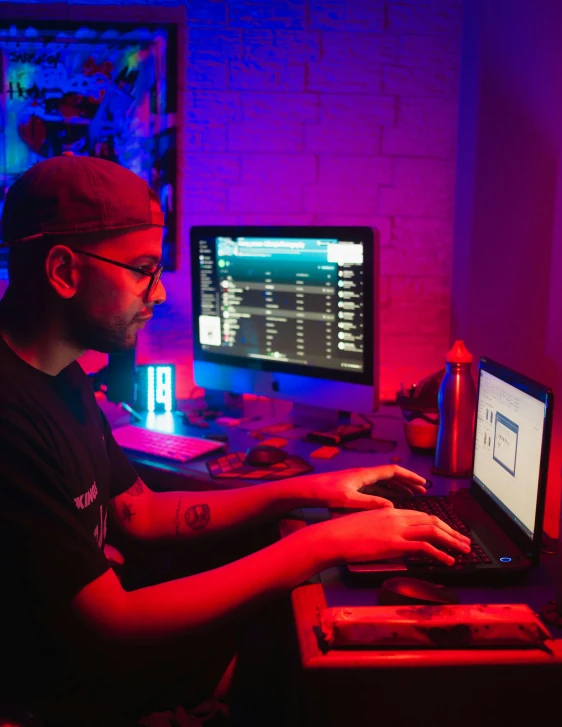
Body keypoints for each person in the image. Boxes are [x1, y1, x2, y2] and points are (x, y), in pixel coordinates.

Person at [0, 155, 470, 727]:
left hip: (103, 653)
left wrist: (310, 489)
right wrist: (327, 544)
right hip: (70, 691)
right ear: (64, 272)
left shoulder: (62, 374)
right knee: (330, 665)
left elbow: (139, 511)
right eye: (144, 268)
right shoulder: (11, 415)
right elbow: (113, 622)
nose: (162, 294)